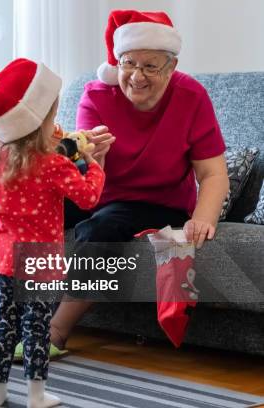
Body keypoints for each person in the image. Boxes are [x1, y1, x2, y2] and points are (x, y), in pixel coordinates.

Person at [49, 10, 229, 350]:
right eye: (129, 63)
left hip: (159, 203)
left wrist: (203, 218)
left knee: (99, 229)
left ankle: (56, 331)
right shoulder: (97, 95)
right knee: (38, 211)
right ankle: (23, 315)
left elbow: (213, 172)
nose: (137, 76)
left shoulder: (191, 97)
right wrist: (92, 157)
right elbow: (80, 171)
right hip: (100, 190)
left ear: (171, 67)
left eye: (150, 66)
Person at [0, 58, 106, 408]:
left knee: (6, 326)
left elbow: (34, 151)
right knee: (36, 328)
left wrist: (62, 144)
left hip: (3, 256)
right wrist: (94, 165)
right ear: (41, 120)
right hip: (41, 259)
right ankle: (36, 394)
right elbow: (88, 198)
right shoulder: (53, 165)